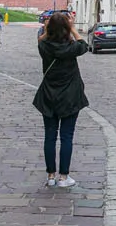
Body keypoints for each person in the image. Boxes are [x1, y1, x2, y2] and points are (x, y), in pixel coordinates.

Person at [33, 12, 90, 188]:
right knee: (66, 137)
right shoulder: (71, 47)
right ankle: (64, 177)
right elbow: (84, 44)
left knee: (49, 137)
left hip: (49, 95)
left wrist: (48, 28)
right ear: (66, 28)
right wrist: (72, 28)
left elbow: (41, 39)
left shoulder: (44, 46)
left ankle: (51, 176)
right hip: (70, 97)